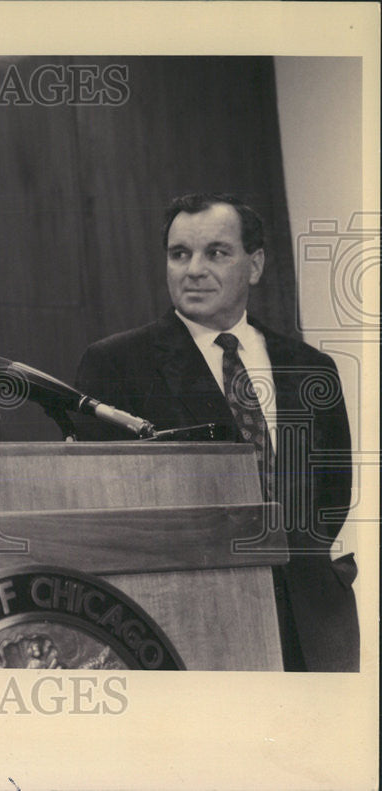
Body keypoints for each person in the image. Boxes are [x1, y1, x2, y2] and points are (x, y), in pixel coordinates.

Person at [74, 193, 358, 671]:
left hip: (314, 623)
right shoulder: (116, 365)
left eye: (217, 253)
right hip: (192, 622)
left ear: (255, 264)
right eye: (179, 254)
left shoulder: (312, 367)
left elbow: (332, 495)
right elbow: (105, 511)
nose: (194, 269)